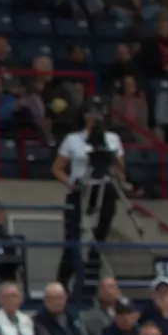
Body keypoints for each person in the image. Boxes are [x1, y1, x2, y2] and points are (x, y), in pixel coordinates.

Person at [52, 104, 125, 292]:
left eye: (99, 112)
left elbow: (120, 168)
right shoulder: (73, 139)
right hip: (80, 191)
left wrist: (113, 162)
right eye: (92, 113)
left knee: (98, 239)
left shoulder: (112, 139)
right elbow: (57, 168)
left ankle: (91, 286)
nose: (96, 117)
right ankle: (62, 284)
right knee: (73, 239)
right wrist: (71, 183)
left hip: (104, 189)